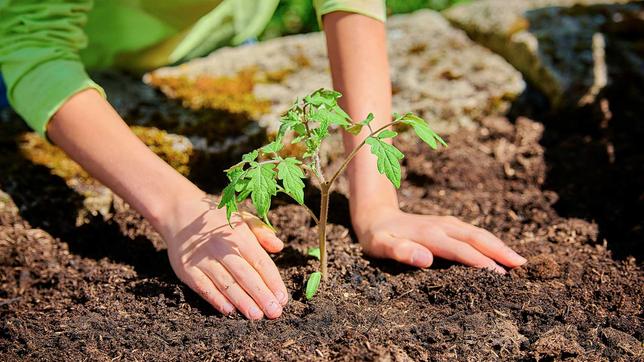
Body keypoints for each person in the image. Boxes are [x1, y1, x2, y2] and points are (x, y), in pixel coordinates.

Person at [0, 0, 527, 320]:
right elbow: (32, 48)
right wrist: (179, 207)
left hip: (218, 33)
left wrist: (376, 202)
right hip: (53, 65)